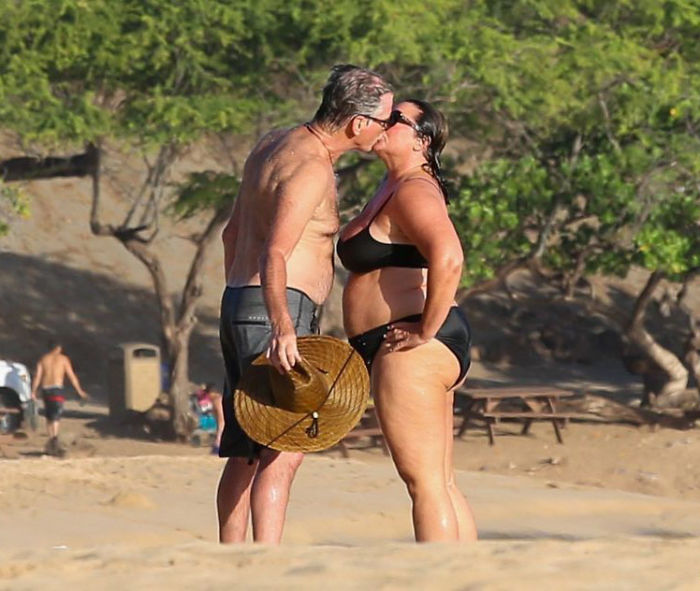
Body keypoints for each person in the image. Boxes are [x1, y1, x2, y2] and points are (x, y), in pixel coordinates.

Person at [217, 64, 393, 544]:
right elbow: (275, 252)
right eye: (384, 121)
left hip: (239, 301)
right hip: (277, 309)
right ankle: (267, 564)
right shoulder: (312, 168)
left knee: (246, 445)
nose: (386, 131)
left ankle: (230, 561)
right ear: (358, 124)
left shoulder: (273, 143)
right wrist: (281, 325)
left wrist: (241, 299)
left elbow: (232, 233)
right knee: (285, 445)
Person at [337, 99, 478, 542]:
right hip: (412, 342)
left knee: (425, 484)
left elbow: (450, 257)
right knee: (441, 481)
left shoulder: (415, 188)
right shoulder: (394, 185)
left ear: (422, 140)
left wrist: (425, 330)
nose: (382, 122)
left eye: (394, 118)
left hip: (411, 344)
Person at [30, 339, 89, 455]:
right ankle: (55, 438)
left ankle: (51, 439)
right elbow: (71, 376)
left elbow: (37, 376)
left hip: (46, 389)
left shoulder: (43, 359)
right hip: (57, 389)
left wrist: (33, 391)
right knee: (56, 414)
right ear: (59, 348)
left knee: (49, 415)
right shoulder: (63, 359)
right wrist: (80, 391)